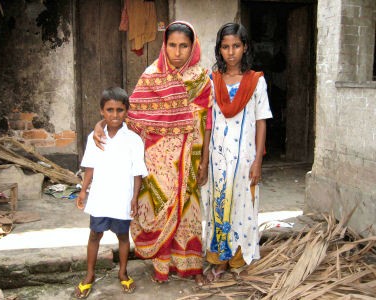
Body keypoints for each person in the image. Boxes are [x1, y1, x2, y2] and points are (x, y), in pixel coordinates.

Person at [93, 21, 212, 285]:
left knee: (189, 210)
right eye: (172, 45)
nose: (178, 52)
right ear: (164, 45)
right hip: (158, 160)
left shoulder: (202, 79)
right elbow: (129, 116)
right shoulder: (151, 75)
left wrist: (204, 161)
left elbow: (209, 123)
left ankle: (190, 266)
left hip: (190, 159)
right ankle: (162, 266)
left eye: (184, 46)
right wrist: (100, 124)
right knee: (160, 207)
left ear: (193, 47)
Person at [202, 23, 273, 281]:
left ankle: (240, 257)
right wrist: (204, 160)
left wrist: (258, 162)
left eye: (236, 46)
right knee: (220, 207)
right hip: (218, 159)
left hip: (245, 159)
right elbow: (208, 121)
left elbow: (262, 121)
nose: (231, 52)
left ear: (245, 48)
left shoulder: (256, 81)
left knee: (243, 207)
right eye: (225, 47)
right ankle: (220, 259)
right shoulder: (213, 81)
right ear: (219, 50)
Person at [74, 87, 148, 298]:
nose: (114, 115)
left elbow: (137, 172)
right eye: (109, 110)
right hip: (100, 197)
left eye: (119, 110)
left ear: (127, 111)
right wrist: (83, 191)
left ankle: (123, 273)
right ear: (101, 111)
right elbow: (90, 166)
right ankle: (89, 275)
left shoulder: (133, 139)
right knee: (95, 234)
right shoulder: (95, 137)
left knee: (123, 236)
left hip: (122, 197)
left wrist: (134, 198)